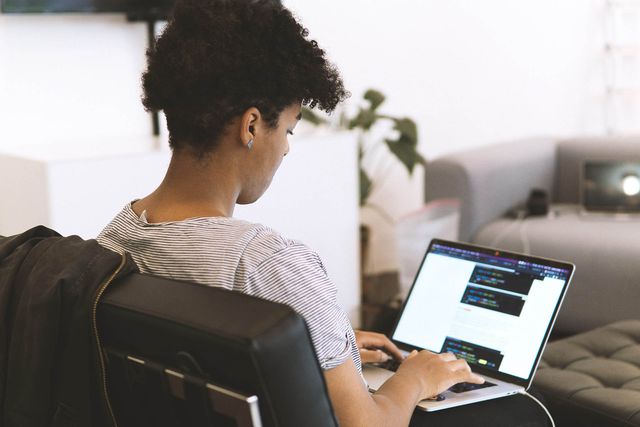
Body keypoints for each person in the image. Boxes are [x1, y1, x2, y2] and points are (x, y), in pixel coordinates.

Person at [96, 0, 486, 425]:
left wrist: (298, 350)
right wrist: (414, 378)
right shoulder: (269, 265)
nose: (285, 147)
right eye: (288, 128)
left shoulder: (112, 241)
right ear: (250, 126)